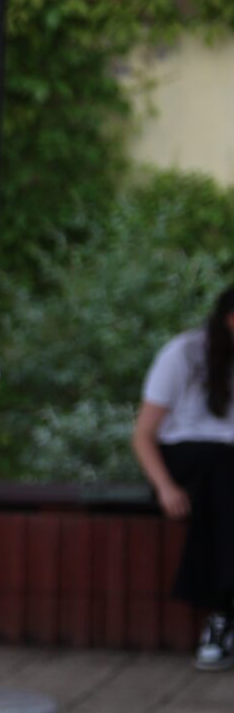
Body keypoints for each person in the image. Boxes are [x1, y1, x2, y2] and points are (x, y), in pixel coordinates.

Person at [132, 282, 234, 671]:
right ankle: (222, 612)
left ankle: (221, 613)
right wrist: (165, 488)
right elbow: (143, 434)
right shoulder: (184, 353)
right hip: (184, 458)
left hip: (225, 470)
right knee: (221, 474)